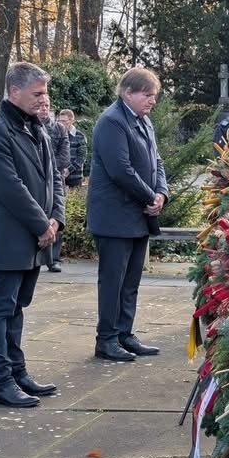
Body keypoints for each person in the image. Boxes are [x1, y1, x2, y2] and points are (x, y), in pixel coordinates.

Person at [0, 62, 65, 408]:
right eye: (38, 93)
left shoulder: (37, 128)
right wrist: (41, 225)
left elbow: (53, 177)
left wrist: (56, 218)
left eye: (45, 92)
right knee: (1, 308)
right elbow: (9, 186)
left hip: (38, 234)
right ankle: (0, 381)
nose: (44, 99)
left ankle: (18, 371)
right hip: (13, 234)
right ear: (14, 92)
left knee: (18, 307)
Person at [87, 67, 168, 362]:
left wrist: (161, 194)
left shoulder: (143, 122)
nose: (152, 101)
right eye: (147, 95)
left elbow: (156, 162)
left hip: (138, 215)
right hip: (114, 217)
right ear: (127, 93)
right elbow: (121, 170)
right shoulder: (112, 122)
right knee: (113, 282)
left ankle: (124, 333)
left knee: (131, 281)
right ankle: (106, 338)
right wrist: (150, 197)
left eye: (154, 95)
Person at [37, 97, 70, 273]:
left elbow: (64, 156)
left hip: (55, 178)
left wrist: (48, 169)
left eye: (47, 106)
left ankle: (54, 259)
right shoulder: (30, 127)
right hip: (36, 180)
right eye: (41, 105)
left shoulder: (59, 129)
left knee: (57, 216)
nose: (43, 109)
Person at [57, 109, 87, 190]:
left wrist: (68, 170)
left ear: (71, 121)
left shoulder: (80, 136)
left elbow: (81, 158)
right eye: (59, 121)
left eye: (63, 121)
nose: (60, 123)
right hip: (59, 178)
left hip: (75, 179)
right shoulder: (57, 135)